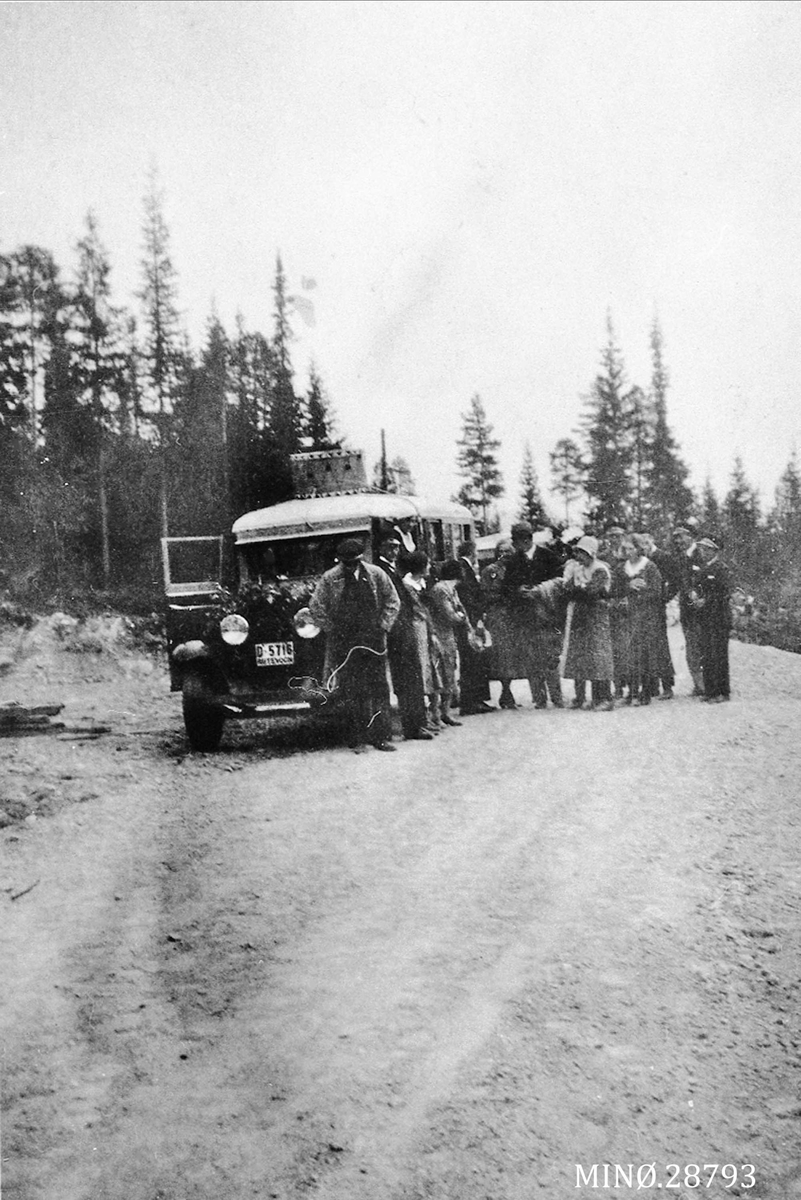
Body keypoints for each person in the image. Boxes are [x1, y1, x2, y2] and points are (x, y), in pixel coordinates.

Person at [309, 538, 400, 752]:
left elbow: (393, 601)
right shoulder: (330, 578)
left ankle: (381, 737)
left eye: (354, 562)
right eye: (346, 563)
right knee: (351, 690)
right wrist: (331, 628)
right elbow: (315, 606)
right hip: (345, 642)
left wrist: (384, 626)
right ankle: (357, 738)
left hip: (373, 640)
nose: (350, 566)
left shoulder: (376, 574)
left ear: (361, 558)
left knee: (378, 687)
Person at [376, 535, 434, 740]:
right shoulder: (381, 570)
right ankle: (412, 725)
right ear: (380, 548)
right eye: (389, 547)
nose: (393, 551)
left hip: (405, 628)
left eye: (396, 547)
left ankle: (417, 723)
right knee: (406, 678)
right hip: (397, 630)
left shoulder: (393, 570)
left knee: (412, 676)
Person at [501, 522, 564, 707]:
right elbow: (506, 589)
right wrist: (517, 591)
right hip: (526, 617)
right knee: (531, 659)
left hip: (547, 615)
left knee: (551, 657)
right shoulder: (513, 562)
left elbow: (560, 582)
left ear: (527, 540)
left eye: (517, 541)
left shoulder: (548, 556)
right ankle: (539, 698)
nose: (515, 545)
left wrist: (540, 590)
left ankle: (557, 697)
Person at [561, 535, 615, 710]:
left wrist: (580, 589)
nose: (578, 556)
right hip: (580, 615)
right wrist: (581, 589)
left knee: (599, 656)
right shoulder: (577, 569)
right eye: (577, 552)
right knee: (582, 655)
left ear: (590, 553)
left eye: (582, 552)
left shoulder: (600, 569)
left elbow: (593, 592)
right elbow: (567, 589)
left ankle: (605, 698)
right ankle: (585, 697)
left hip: (597, 616)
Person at [613, 535, 667, 705]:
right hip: (626, 617)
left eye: (631, 548)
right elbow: (614, 589)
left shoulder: (649, 567)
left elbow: (657, 592)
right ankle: (632, 691)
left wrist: (641, 591)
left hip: (646, 616)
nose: (628, 552)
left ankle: (645, 693)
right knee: (628, 654)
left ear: (638, 548)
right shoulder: (622, 568)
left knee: (644, 654)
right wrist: (627, 587)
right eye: (626, 549)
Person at [403, 550, 447, 732]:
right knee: (423, 671)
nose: (429, 567)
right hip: (418, 629)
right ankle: (426, 716)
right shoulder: (408, 585)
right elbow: (420, 610)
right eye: (427, 564)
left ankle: (436, 714)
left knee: (435, 667)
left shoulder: (423, 583)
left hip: (429, 627)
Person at [455, 540, 495, 714]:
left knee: (474, 660)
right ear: (473, 552)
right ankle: (472, 701)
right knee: (472, 660)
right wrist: (479, 615)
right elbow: (468, 596)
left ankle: (476, 700)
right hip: (471, 620)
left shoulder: (463, 567)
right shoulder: (465, 569)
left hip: (471, 619)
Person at [428, 561, 469, 724]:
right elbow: (451, 614)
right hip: (440, 636)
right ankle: (437, 714)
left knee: (449, 673)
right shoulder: (442, 590)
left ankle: (444, 712)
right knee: (441, 675)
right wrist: (461, 617)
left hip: (447, 635)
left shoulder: (448, 589)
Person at [692, 536, 733, 702]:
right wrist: (694, 594)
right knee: (707, 654)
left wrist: (706, 600)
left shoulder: (722, 569)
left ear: (715, 551)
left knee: (719, 655)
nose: (703, 552)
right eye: (702, 549)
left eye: (707, 549)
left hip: (719, 618)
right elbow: (697, 586)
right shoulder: (703, 569)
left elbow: (725, 593)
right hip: (705, 618)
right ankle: (710, 691)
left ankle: (722, 692)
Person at [480, 539, 517, 708]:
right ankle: (505, 692)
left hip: (514, 615)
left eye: (509, 551)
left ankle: (508, 691)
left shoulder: (516, 570)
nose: (506, 555)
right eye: (502, 551)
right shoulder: (490, 571)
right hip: (499, 614)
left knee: (512, 655)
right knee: (502, 654)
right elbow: (486, 594)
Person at [671, 525, 704, 695]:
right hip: (687, 610)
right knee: (691, 647)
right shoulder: (679, 558)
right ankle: (699, 685)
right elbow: (677, 584)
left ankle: (707, 685)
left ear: (691, 536)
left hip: (702, 610)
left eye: (680, 536)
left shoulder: (702, 554)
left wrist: (699, 595)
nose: (677, 541)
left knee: (702, 646)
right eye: (675, 537)